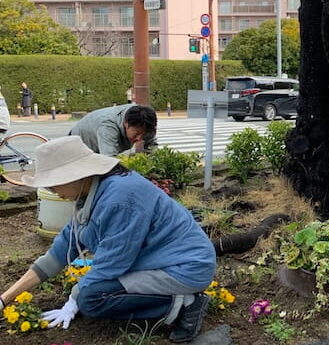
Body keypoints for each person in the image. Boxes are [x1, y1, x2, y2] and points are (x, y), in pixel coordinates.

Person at [0, 136, 216, 342]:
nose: (51, 190)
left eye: (52, 183)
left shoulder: (121, 199)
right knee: (90, 290)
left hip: (184, 268)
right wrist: (5, 299)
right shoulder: (90, 194)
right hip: (159, 262)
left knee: (91, 299)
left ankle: (185, 304)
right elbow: (60, 251)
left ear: (74, 175)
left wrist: (75, 298)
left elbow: (114, 262)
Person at [69, 104, 157, 156]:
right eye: (137, 133)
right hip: (78, 149)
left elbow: (152, 148)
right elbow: (109, 161)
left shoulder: (144, 121)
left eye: (144, 134)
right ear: (126, 123)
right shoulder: (108, 126)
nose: (139, 139)